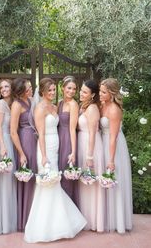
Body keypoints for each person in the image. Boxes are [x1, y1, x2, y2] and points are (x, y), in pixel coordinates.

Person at [24, 78, 86, 243]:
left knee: (55, 183)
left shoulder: (54, 106)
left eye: (53, 90)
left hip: (57, 146)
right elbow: (41, 134)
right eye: (49, 90)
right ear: (42, 92)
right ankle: (45, 227)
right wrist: (43, 156)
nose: (52, 93)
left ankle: (57, 224)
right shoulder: (40, 108)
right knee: (48, 185)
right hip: (45, 149)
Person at [100, 78, 132, 233]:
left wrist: (111, 160)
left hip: (114, 146)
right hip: (104, 143)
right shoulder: (103, 105)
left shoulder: (114, 109)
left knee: (115, 179)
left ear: (111, 94)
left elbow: (113, 137)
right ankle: (106, 218)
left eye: (103, 92)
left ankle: (119, 221)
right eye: (100, 90)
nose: (100, 94)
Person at [77, 79, 105, 232]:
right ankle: (85, 218)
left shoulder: (93, 108)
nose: (81, 93)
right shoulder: (84, 106)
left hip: (91, 146)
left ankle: (94, 220)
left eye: (85, 92)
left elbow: (93, 133)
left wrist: (89, 156)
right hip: (83, 143)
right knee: (84, 184)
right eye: (81, 90)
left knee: (91, 183)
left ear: (93, 95)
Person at [10, 78, 37, 232]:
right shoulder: (16, 105)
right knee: (27, 177)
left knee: (35, 176)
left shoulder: (32, 101)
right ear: (22, 91)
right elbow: (13, 131)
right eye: (29, 88)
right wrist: (21, 153)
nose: (31, 90)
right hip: (25, 141)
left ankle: (35, 215)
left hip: (35, 140)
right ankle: (25, 219)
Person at [0, 79, 17, 234]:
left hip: (11, 141)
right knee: (4, 180)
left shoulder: (13, 103)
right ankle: (2, 222)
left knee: (10, 180)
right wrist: (2, 146)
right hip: (3, 142)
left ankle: (9, 218)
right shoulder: (0, 104)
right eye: (1, 87)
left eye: (6, 86)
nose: (4, 89)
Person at [58, 76, 79, 201]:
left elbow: (73, 129)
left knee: (66, 173)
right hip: (58, 139)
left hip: (68, 140)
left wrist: (73, 152)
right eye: (69, 88)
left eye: (74, 89)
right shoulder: (60, 103)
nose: (71, 91)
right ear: (63, 88)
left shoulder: (73, 104)